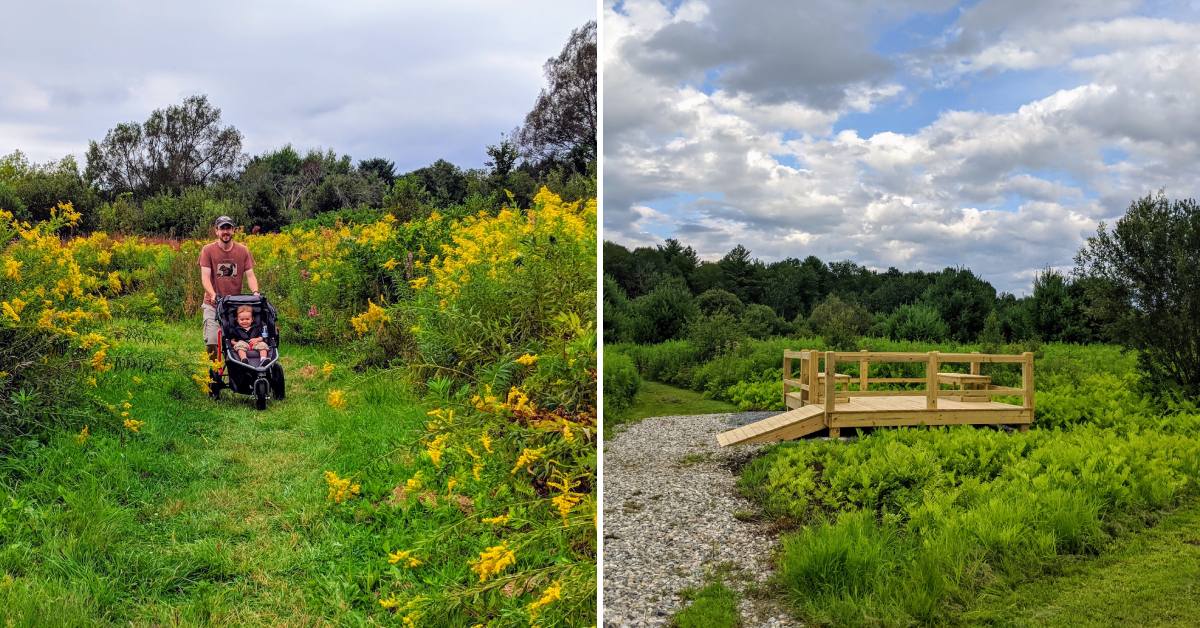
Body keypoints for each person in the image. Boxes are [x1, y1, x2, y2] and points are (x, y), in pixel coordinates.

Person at [199, 216, 260, 365]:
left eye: (228, 228)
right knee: (213, 341)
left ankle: (237, 368)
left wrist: (255, 293)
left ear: (233, 230)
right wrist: (213, 294)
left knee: (236, 341)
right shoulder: (208, 250)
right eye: (222, 228)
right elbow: (205, 278)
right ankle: (213, 371)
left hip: (234, 305)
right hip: (213, 304)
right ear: (216, 231)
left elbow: (250, 275)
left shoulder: (243, 251)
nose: (225, 232)